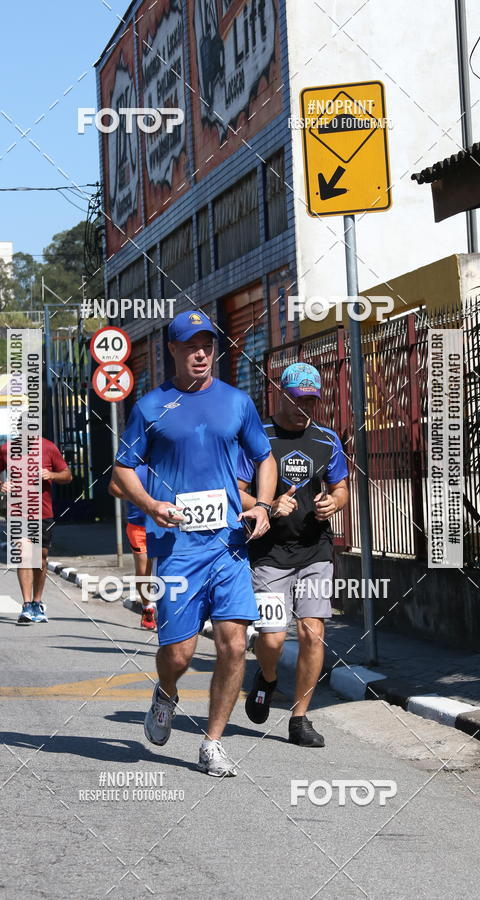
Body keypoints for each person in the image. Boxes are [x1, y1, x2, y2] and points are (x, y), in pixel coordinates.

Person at [111, 310, 277, 777]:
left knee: (232, 643)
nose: (200, 352)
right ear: (174, 350)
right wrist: (150, 503)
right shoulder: (151, 407)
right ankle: (166, 691)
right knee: (180, 653)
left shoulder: (236, 402)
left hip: (228, 544)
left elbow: (264, 458)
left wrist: (262, 505)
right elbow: (123, 468)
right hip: (176, 545)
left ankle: (212, 742)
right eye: (190, 345)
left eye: (206, 343)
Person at [237, 363, 349, 748]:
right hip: (268, 554)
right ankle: (267, 677)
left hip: (315, 549)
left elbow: (341, 489)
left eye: (311, 400)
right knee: (272, 638)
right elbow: (236, 492)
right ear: (280, 394)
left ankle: (300, 719)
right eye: (297, 398)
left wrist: (332, 503)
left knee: (312, 633)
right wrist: (266, 506)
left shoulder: (326, 439)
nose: (304, 407)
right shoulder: (258, 437)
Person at [0, 435, 72, 625]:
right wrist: (0, 484)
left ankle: (37, 602)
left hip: (43, 513)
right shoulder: (6, 449)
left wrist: (52, 475)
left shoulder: (49, 447)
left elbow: (67, 475)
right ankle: (26, 604)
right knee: (24, 555)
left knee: (40, 558)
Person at [109, 462, 156, 631]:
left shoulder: (166, 457)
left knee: (170, 568)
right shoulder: (131, 464)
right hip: (138, 525)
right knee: (144, 570)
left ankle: (169, 612)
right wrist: (135, 495)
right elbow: (113, 488)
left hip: (166, 524)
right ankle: (148, 608)